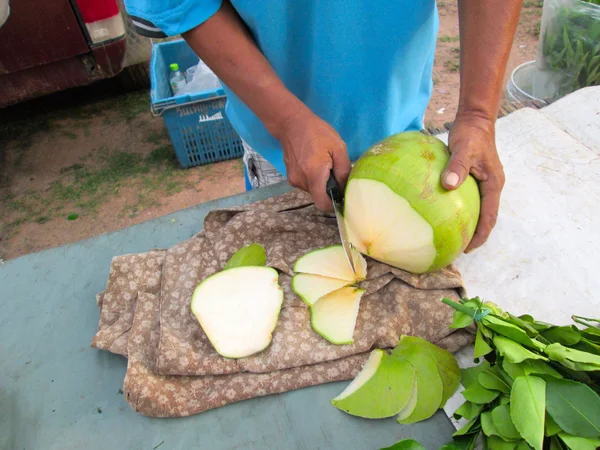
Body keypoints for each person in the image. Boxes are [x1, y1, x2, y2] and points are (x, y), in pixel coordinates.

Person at [125, 0, 523, 253]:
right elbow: (183, 3)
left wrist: (478, 114)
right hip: (279, 150)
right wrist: (287, 120)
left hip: (406, 140)